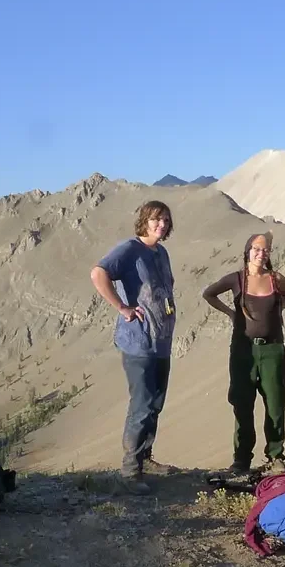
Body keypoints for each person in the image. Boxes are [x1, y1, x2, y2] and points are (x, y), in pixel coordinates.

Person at [89, 201, 177, 494]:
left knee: (155, 403)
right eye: (155, 219)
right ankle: (129, 471)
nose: (161, 224)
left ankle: (145, 457)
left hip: (161, 342)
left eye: (165, 220)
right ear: (144, 221)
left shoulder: (161, 252)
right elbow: (98, 273)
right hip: (139, 342)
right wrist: (123, 308)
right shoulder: (129, 249)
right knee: (141, 403)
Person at [202, 232, 285, 475]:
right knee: (242, 402)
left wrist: (275, 312)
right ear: (247, 251)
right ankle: (241, 459)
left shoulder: (276, 279)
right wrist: (231, 314)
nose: (260, 253)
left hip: (272, 348)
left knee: (275, 402)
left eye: (265, 250)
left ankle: (275, 456)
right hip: (243, 349)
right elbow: (209, 293)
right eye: (256, 248)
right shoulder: (236, 279)